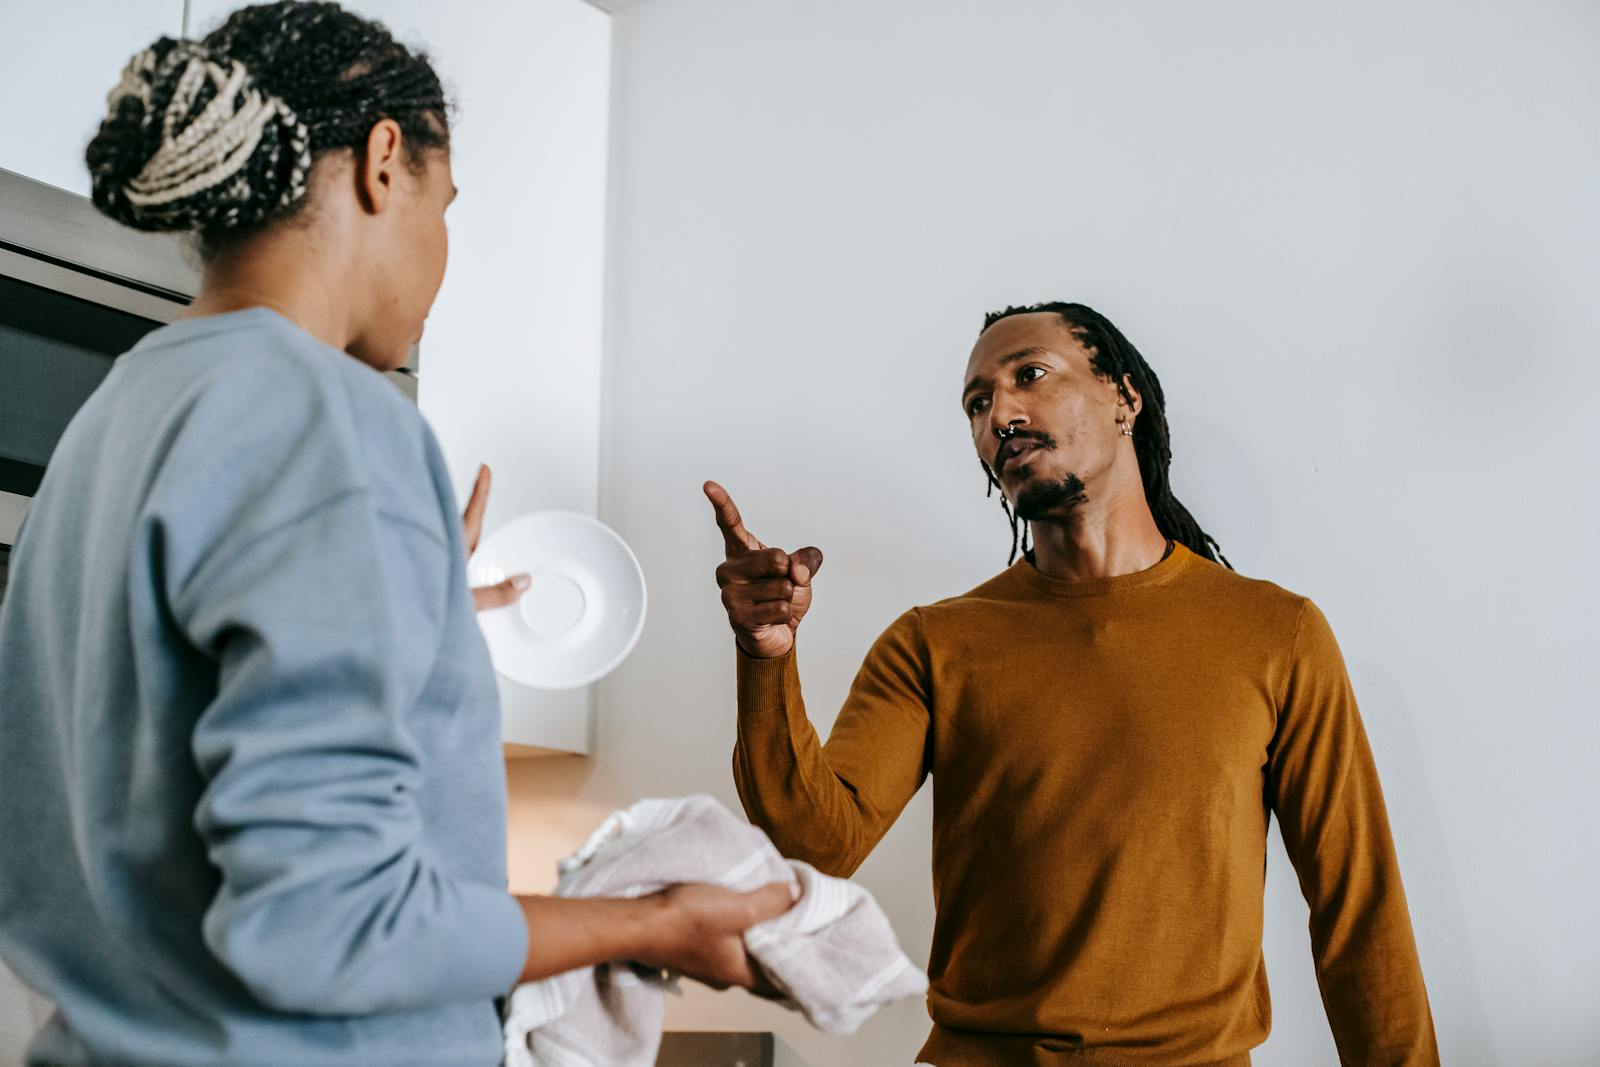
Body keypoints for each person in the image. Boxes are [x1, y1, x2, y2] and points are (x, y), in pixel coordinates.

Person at [0, 4, 789, 1065]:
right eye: (445, 204)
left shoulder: (108, 421)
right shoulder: (331, 417)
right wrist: (654, 922)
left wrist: (405, 611)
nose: (443, 251)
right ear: (384, 162)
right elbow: (331, 927)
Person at [706, 302, 1438, 1066]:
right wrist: (766, 654)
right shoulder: (935, 643)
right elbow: (816, 843)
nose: (1000, 416)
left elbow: (1358, 910)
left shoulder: (1276, 634)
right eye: (977, 403)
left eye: (1030, 374)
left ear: (1125, 397)